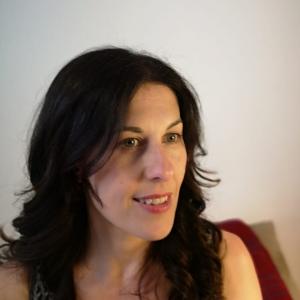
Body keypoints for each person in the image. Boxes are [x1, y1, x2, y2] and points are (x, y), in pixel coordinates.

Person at [0, 47, 262, 299]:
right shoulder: (16, 286)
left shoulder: (225, 262)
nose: (164, 170)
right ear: (74, 161)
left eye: (172, 137)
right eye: (129, 142)